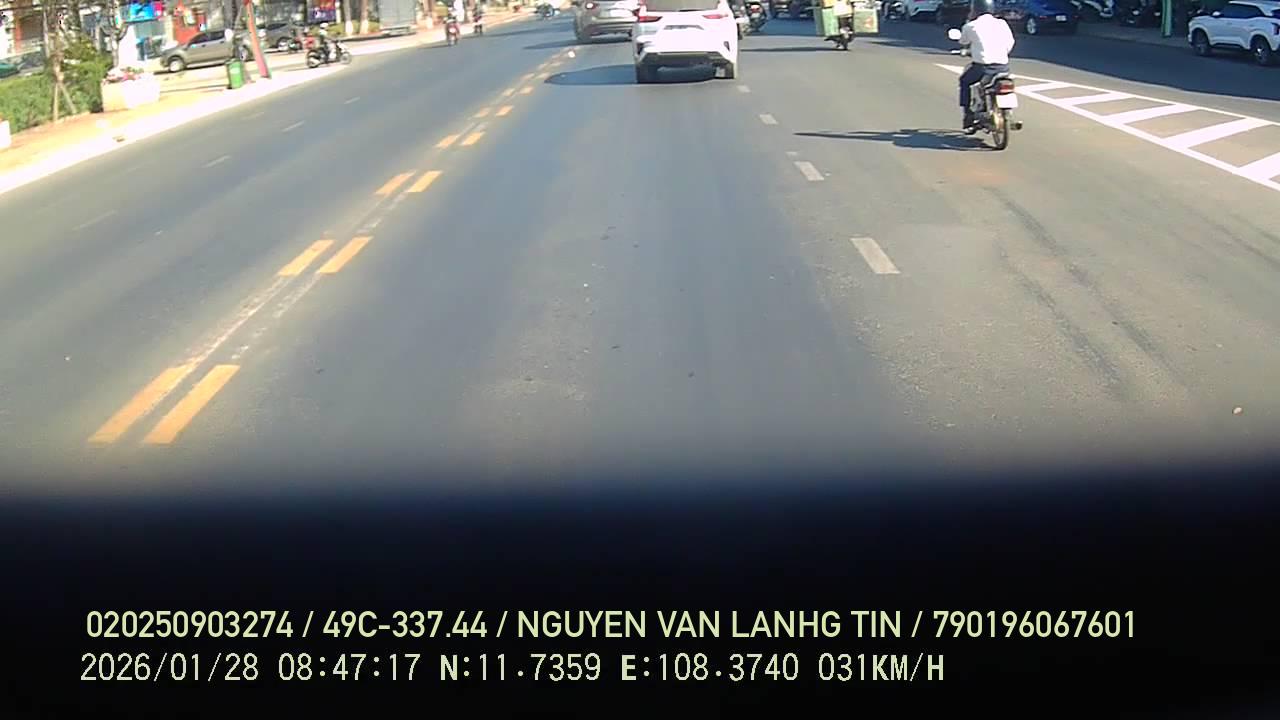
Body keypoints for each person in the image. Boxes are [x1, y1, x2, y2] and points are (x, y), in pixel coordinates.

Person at [956, 0, 1014, 132]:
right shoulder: (1002, 23)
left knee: (964, 81)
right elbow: (1010, 42)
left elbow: (963, 41)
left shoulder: (971, 26)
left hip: (982, 68)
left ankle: (968, 115)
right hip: (1003, 67)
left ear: (974, 9)